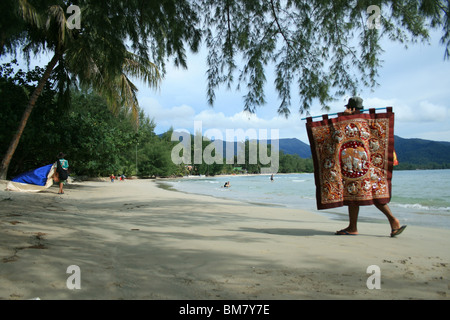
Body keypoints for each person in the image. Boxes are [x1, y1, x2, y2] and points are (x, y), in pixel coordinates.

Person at [335, 97, 407, 237]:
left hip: (364, 164)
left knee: (370, 193)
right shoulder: (367, 120)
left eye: (349, 108)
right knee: (355, 193)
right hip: (365, 163)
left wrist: (345, 117)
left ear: (352, 109)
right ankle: (353, 227)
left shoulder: (356, 122)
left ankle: (393, 221)